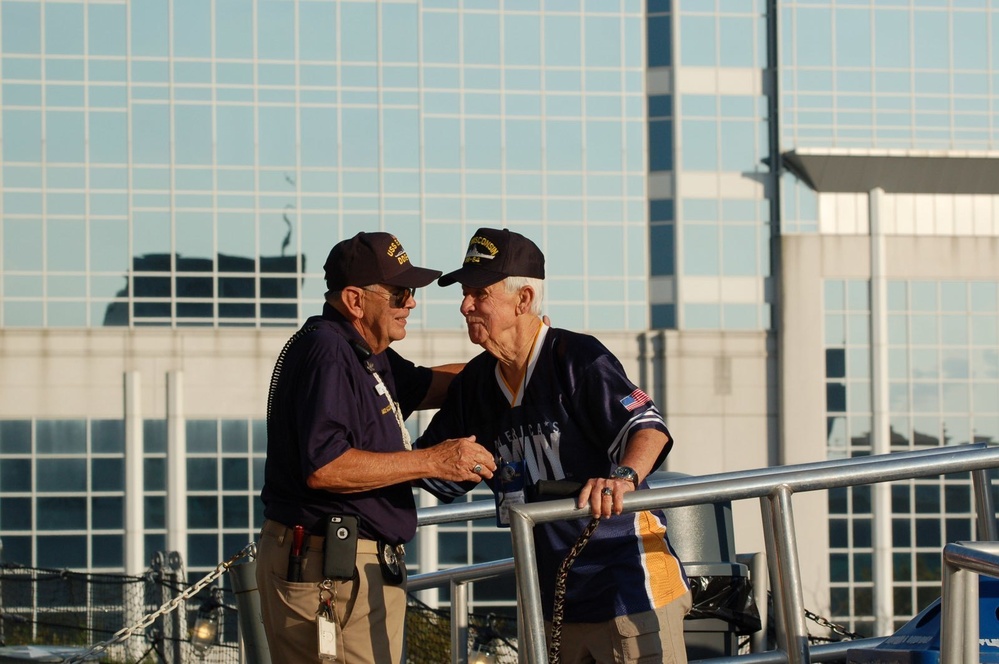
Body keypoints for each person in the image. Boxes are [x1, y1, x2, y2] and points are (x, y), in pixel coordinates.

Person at [416, 227, 692, 664]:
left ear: (523, 300)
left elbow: (648, 427)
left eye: (479, 294)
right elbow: (425, 471)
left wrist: (622, 476)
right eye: (465, 294)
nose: (465, 306)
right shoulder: (474, 386)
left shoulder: (578, 358)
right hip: (550, 603)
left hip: (628, 591)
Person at [256, 231, 497, 664]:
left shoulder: (365, 351)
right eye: (400, 293)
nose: (411, 303)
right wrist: (435, 460)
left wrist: (520, 357)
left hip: (345, 566)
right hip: (325, 571)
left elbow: (433, 386)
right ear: (354, 300)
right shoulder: (328, 352)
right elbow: (325, 466)